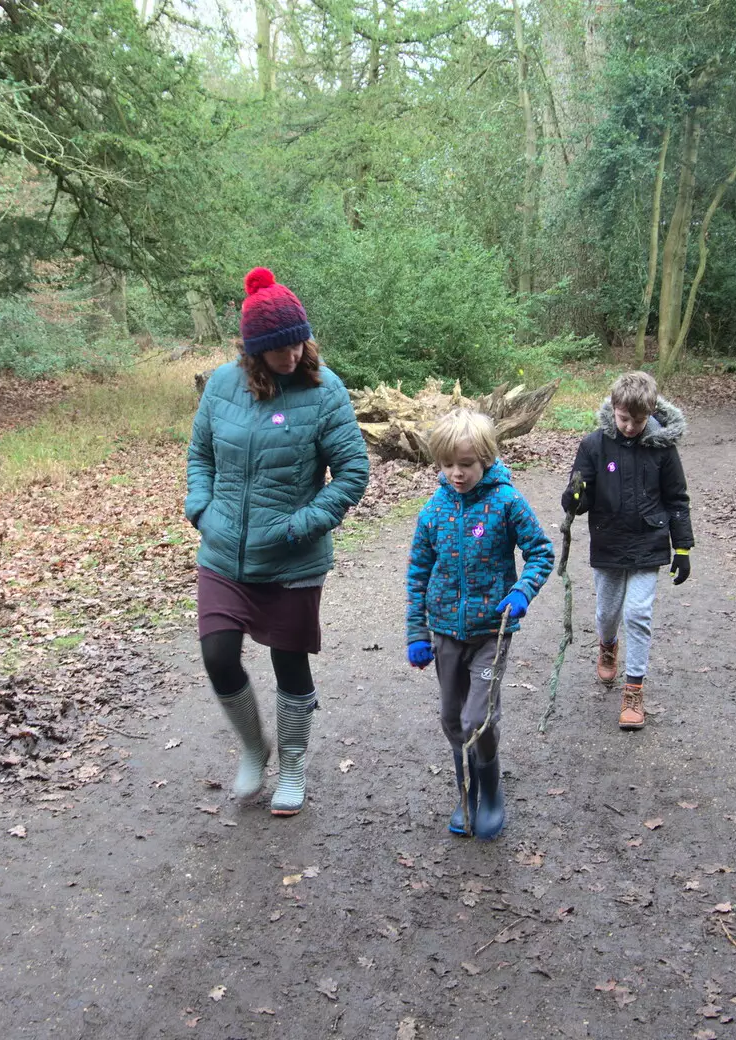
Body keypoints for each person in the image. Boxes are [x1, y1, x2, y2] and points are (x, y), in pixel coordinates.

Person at [185, 267, 369, 816]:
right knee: (218, 654)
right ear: (253, 351)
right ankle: (252, 747)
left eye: (297, 342)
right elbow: (201, 457)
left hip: (291, 558)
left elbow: (353, 472)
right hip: (224, 552)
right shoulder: (221, 386)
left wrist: (302, 524)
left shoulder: (323, 388)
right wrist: (202, 509)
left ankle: (291, 763)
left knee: (290, 665)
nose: (291, 354)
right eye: (278, 348)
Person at [405, 409, 554, 841]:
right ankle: (466, 790)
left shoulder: (506, 501)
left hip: (492, 630)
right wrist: (417, 632)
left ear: (486, 459)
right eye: (448, 464)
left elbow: (540, 551)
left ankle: (490, 790)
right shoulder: (433, 511)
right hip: (445, 632)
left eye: (466, 464)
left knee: (477, 717)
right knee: (452, 718)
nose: (456, 473)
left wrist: (523, 591)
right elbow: (417, 572)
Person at [562, 371, 693, 730]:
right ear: (614, 408)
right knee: (607, 613)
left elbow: (677, 499)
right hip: (608, 541)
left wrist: (682, 547)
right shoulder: (594, 444)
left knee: (637, 613)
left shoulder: (663, 448)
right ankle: (607, 644)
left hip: (649, 542)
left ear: (651, 411)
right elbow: (581, 495)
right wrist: (574, 497)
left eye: (639, 420)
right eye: (624, 419)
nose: (631, 427)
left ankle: (633, 689)